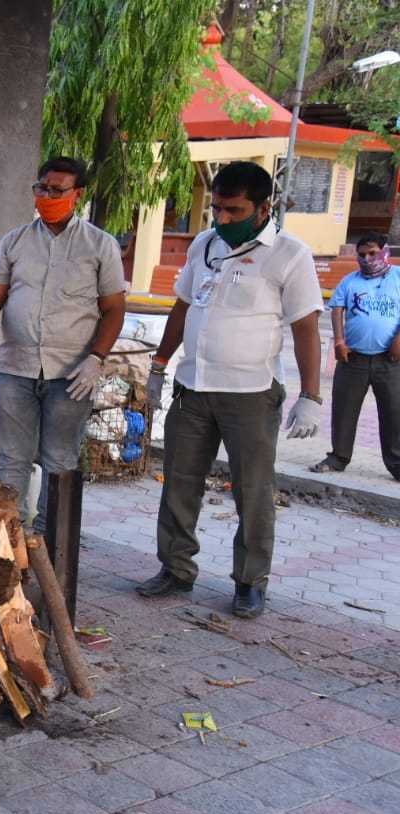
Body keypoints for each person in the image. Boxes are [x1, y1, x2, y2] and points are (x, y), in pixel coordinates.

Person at [138, 161, 324, 619]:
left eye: (233, 210)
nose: (222, 218)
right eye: (217, 208)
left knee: (253, 491)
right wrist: (160, 364)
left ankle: (249, 582)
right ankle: (176, 568)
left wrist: (311, 397)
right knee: (180, 484)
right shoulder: (204, 245)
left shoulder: (290, 255)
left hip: (251, 394)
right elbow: (183, 307)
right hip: (193, 389)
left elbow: (306, 330)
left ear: (263, 209)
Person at [0, 156, 127, 523]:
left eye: (57, 190)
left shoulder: (99, 245)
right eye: (42, 188)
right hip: (16, 369)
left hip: (71, 375)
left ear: (78, 195)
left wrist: (97, 358)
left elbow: (114, 309)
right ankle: (9, 541)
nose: (47, 196)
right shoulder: (15, 241)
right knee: (12, 459)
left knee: (60, 462)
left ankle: (53, 546)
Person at [309, 233, 400, 479]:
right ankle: (338, 458)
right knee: (344, 409)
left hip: (390, 361)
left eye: (372, 253)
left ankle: (397, 464)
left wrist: (399, 339)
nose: (367, 259)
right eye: (362, 255)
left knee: (394, 412)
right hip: (353, 360)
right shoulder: (350, 281)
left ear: (384, 252)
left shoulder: (398, 278)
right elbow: (337, 308)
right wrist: (339, 340)